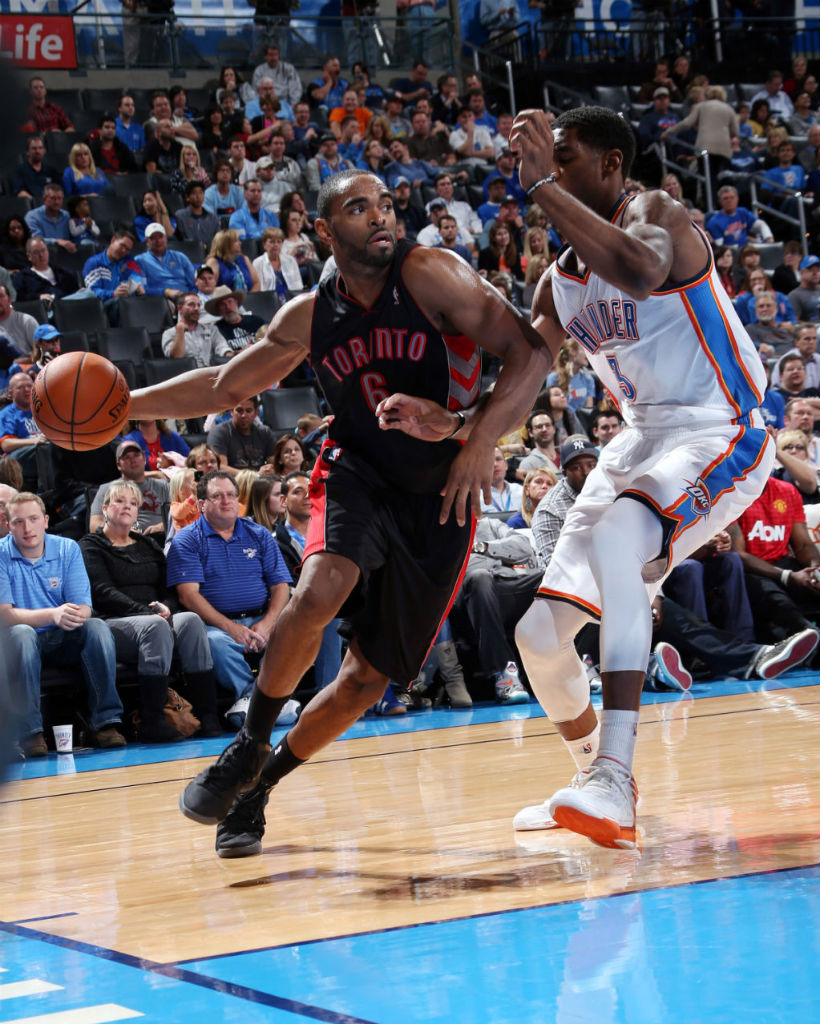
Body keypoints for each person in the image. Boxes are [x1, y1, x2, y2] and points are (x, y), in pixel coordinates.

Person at [124, 168, 547, 853]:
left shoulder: (434, 274)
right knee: (322, 585)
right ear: (324, 230)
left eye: (386, 202)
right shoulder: (311, 315)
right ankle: (247, 744)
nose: (380, 216)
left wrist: (475, 436)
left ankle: (258, 786)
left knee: (362, 681)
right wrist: (124, 404)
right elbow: (223, 383)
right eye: (358, 208)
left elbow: (529, 351)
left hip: (443, 494)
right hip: (358, 470)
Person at [438, 104, 775, 850]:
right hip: (639, 441)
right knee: (537, 636)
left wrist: (537, 189)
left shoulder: (660, 213)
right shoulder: (558, 280)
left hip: (721, 425)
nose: (552, 175)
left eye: (566, 163)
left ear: (611, 167)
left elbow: (641, 268)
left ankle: (615, 780)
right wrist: (462, 428)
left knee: (624, 535)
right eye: (547, 166)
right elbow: (524, 378)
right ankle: (593, 775)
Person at [79, 481, 222, 741]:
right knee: (154, 627)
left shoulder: (147, 544)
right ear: (105, 508)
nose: (127, 507)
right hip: (115, 623)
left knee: (190, 620)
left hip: (157, 617)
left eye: (133, 503)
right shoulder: (90, 545)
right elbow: (101, 591)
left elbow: (168, 584)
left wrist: (169, 608)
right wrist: (147, 612)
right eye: (120, 501)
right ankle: (152, 719)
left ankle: (208, 714)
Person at [0, 491, 125, 758]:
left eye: (33, 519)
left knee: (97, 627)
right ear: (7, 524)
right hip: (19, 642)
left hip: (62, 636)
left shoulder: (67, 548)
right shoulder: (1, 555)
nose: (27, 528)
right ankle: (30, 731)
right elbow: (4, 615)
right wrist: (52, 615)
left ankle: (105, 723)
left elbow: (84, 606)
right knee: (22, 634)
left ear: (45, 520)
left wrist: (73, 615)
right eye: (19, 522)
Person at [166, 470, 292, 724]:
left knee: (299, 630)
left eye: (231, 495)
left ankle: (285, 697)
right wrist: (231, 628)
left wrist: (268, 624)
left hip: (261, 618)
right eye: (217, 496)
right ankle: (260, 700)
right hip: (215, 627)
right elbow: (189, 596)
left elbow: (281, 586)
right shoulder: (187, 540)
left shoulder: (259, 534)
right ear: (201, 504)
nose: (227, 501)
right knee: (214, 643)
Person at [89, 440, 171, 537]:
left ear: (144, 459)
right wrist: (122, 530)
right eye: (126, 457)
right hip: (123, 544)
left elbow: (181, 515)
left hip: (162, 539)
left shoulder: (164, 486)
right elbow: (94, 526)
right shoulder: (107, 489)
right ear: (118, 465)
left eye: (136, 455)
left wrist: (163, 526)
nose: (132, 460)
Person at [82, 229, 145, 322]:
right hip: (103, 307)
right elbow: (92, 293)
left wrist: (139, 285)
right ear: (113, 240)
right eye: (122, 245)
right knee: (121, 303)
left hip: (126, 304)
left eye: (127, 249)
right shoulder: (94, 262)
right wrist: (113, 293)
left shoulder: (128, 260)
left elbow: (137, 275)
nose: (124, 251)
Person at [207, 395, 279, 473]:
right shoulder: (219, 433)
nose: (244, 415)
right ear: (231, 411)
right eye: (239, 410)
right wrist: (255, 476)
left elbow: (274, 464)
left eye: (248, 411)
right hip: (231, 483)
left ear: (256, 412)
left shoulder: (265, 432)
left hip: (261, 483)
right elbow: (220, 467)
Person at [161, 291, 231, 367]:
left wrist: (228, 354)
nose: (196, 308)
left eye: (198, 305)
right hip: (186, 375)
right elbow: (177, 357)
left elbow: (222, 346)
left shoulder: (211, 330)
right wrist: (180, 331)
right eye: (191, 305)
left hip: (211, 372)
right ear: (180, 308)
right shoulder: (169, 333)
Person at [136, 222, 196, 299]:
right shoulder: (140, 261)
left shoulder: (180, 257)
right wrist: (166, 292)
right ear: (147, 241)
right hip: (159, 300)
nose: (158, 241)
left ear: (166, 238)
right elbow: (143, 289)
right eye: (153, 238)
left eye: (161, 237)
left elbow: (194, 283)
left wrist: (193, 296)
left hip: (186, 298)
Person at [12, 238, 81, 304]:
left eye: (43, 250)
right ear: (29, 256)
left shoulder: (64, 273)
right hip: (42, 311)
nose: (41, 255)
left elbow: (76, 291)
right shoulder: (22, 277)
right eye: (36, 252)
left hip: (68, 307)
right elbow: (20, 300)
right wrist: (38, 297)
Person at [207, 285, 266, 354]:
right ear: (218, 309)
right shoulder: (217, 330)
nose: (228, 307)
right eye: (222, 304)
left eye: (230, 302)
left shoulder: (255, 321)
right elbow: (222, 351)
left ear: (236, 302)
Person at [120, 418, 190, 472]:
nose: (148, 410)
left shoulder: (172, 436)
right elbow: (129, 473)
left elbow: (190, 461)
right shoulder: (129, 440)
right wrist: (157, 474)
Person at [24, 184, 76, 253]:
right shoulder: (32, 216)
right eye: (53, 198)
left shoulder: (66, 216)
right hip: (42, 255)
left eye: (59, 198)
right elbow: (36, 241)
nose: (57, 202)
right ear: (44, 199)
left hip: (66, 255)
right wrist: (56, 241)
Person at [252, 226, 303, 297]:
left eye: (279, 242)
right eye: (272, 242)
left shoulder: (290, 260)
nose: (276, 245)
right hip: (270, 301)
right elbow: (260, 289)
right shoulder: (258, 263)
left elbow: (298, 284)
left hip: (291, 300)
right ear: (264, 245)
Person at [12, 135, 61, 202]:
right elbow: (21, 193)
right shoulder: (20, 170)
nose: (37, 151)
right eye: (34, 148)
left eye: (40, 148)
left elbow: (59, 191)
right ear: (27, 152)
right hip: (32, 207)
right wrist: (37, 203)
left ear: (44, 151)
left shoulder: (52, 171)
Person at [175, 181, 220, 250]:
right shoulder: (180, 216)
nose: (198, 196)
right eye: (194, 193)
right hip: (189, 253)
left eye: (201, 193)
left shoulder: (213, 218)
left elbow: (218, 241)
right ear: (187, 197)